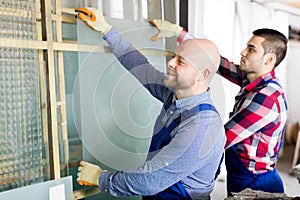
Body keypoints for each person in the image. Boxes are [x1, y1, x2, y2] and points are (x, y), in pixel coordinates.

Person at [75, 7, 226, 200]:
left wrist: (101, 178)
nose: (170, 63)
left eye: (181, 61)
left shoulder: (201, 128)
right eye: (174, 57)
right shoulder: (175, 96)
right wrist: (107, 30)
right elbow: (140, 67)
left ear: (202, 75)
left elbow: (149, 181)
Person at [148, 19, 289, 196]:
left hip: (256, 180)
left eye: (251, 49)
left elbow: (219, 139)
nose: (243, 52)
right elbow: (216, 62)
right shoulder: (252, 80)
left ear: (269, 59)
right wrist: (179, 34)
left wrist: (182, 145)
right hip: (240, 172)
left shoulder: (266, 97)